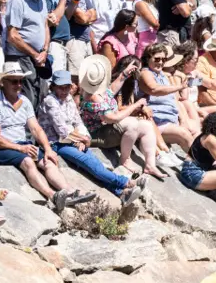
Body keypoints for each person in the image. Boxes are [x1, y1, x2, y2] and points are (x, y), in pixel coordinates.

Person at [0, 62, 90, 211]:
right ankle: (53, 196)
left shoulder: (24, 101)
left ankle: (69, 191)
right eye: (14, 81)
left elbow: (36, 128)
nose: (19, 85)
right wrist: (20, 147)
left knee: (48, 161)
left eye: (21, 81)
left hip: (21, 144)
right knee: (27, 161)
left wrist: (47, 149)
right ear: (4, 82)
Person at [39, 69, 143, 205]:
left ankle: (120, 193)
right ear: (53, 86)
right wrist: (82, 139)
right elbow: (62, 130)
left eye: (67, 87)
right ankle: (126, 182)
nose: (64, 90)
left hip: (73, 139)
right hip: (56, 143)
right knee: (91, 165)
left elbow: (78, 121)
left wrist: (85, 138)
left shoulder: (69, 99)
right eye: (61, 87)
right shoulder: (50, 101)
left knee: (95, 165)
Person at [79, 54, 165, 179]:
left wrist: (124, 73)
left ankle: (150, 165)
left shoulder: (98, 90)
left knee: (146, 125)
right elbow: (112, 118)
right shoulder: (93, 97)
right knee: (132, 124)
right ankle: (125, 160)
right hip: (97, 134)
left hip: (107, 129)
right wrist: (135, 105)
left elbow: (112, 89)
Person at [4, 0, 54, 105]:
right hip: (21, 57)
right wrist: (35, 54)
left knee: (42, 95)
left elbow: (45, 26)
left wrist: (44, 50)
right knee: (28, 98)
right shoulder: (17, 0)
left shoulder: (41, 0)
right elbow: (12, 36)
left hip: (38, 56)